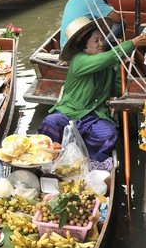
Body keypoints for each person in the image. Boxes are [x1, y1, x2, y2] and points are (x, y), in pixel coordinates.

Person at [37, 17, 146, 161]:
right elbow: (105, 60)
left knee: (109, 134)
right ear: (84, 46)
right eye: (96, 41)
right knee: (50, 122)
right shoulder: (79, 60)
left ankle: (88, 160)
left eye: (102, 39)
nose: (101, 44)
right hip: (70, 112)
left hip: (94, 117)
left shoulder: (108, 66)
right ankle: (48, 159)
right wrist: (132, 44)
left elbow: (118, 90)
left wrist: (122, 69)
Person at [59, 0, 124, 50]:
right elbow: (118, 18)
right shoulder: (93, 0)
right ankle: (110, 51)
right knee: (120, 24)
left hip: (65, 49)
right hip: (79, 50)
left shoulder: (70, 1)